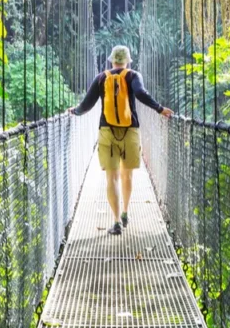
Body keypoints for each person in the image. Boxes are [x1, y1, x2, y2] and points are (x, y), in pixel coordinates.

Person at [70, 45, 173, 235]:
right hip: (130, 130)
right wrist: (160, 109)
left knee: (112, 178)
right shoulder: (133, 75)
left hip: (107, 131)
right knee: (127, 175)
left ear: (111, 60)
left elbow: (87, 104)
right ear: (127, 61)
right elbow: (141, 94)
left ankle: (116, 222)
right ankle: (125, 212)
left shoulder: (101, 78)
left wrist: (75, 111)